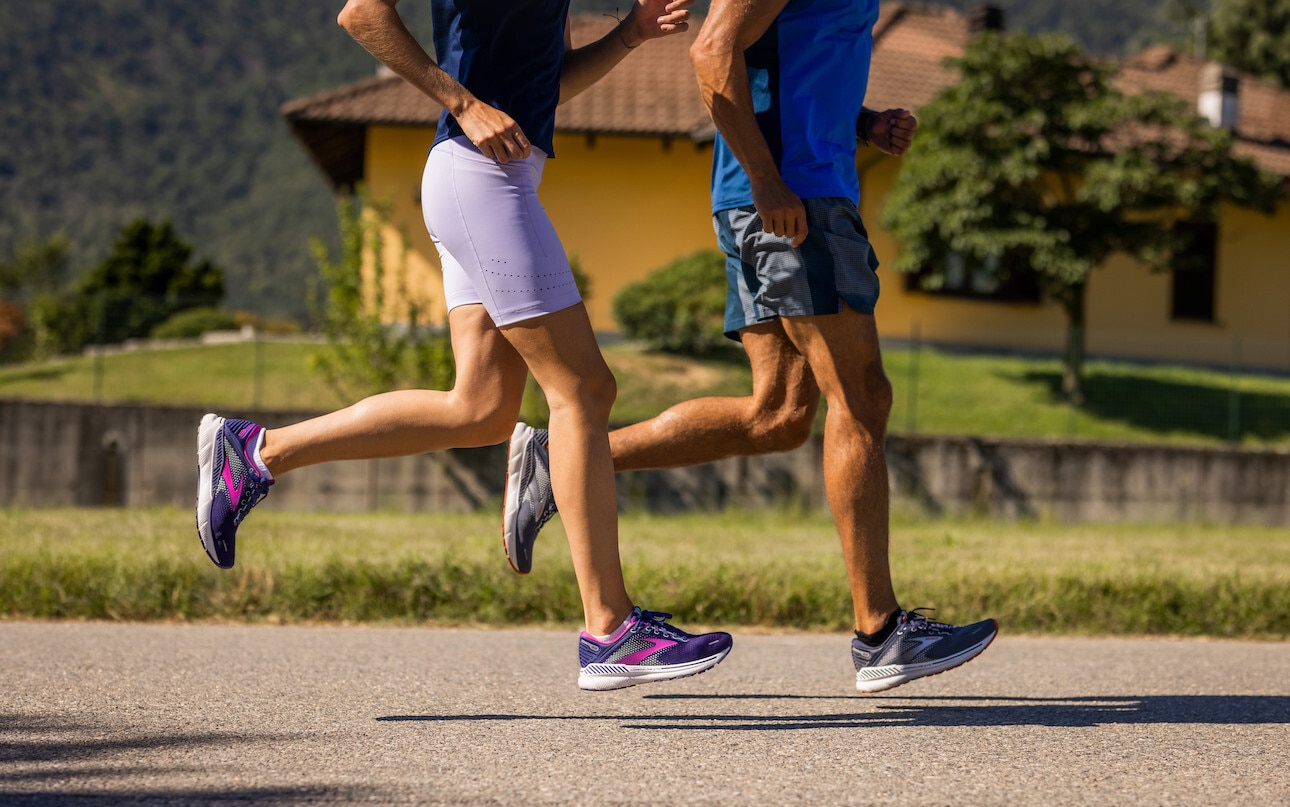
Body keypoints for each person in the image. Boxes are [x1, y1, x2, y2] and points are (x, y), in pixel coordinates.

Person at [194, 0, 733, 692]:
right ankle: (611, 629)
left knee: (481, 408)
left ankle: (256, 453)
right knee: (583, 389)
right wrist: (464, 102)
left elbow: (544, 84)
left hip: (493, 178)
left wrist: (627, 35)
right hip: (480, 177)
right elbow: (362, 14)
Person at [503, 0, 997, 694]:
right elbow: (713, 53)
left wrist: (862, 123)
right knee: (861, 396)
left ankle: (561, 463)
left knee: (778, 414)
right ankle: (882, 633)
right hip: (793, 198)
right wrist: (767, 179)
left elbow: (779, 69)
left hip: (791, 189)